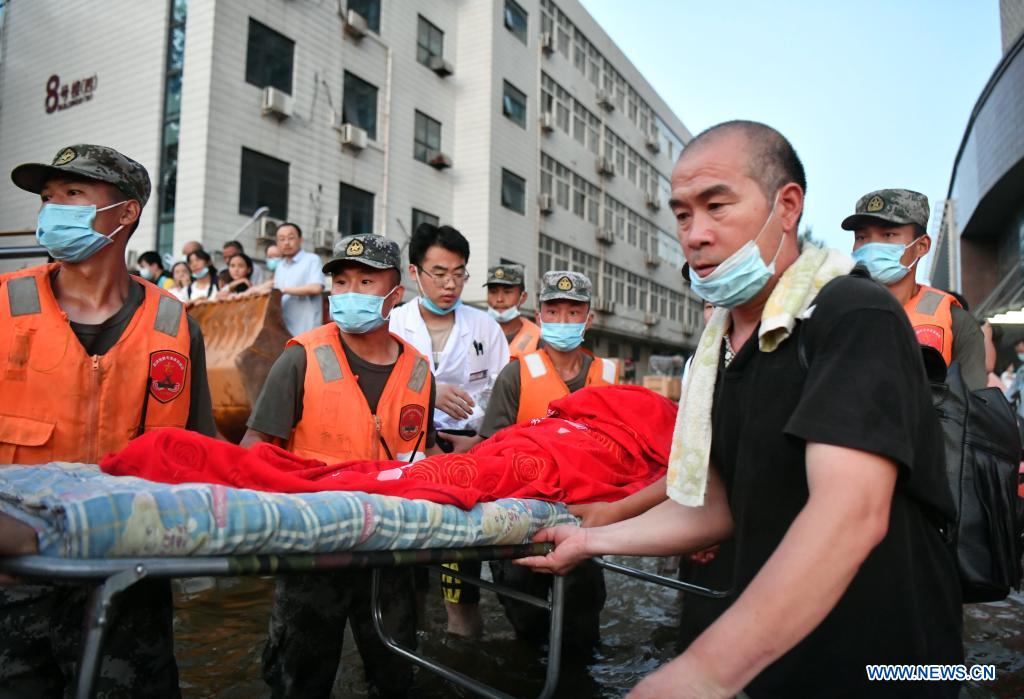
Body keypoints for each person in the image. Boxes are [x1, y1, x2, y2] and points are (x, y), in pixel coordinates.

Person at [519, 121, 963, 698]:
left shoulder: (852, 314)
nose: (695, 234)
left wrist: (704, 672)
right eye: (682, 214)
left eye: (717, 206)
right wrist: (592, 538)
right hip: (778, 654)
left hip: (885, 661)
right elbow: (720, 503)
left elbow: (851, 512)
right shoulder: (727, 349)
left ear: (787, 206)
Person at [0, 143, 216, 697]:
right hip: (10, 581)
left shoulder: (173, 325)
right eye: (48, 197)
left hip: (130, 584)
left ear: (126, 214)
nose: (52, 209)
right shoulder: (5, 305)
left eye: (73, 194)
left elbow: (196, 455)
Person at [241, 233, 435, 698]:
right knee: (299, 678)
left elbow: (423, 455)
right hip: (313, 549)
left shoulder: (419, 370)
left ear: (395, 295)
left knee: (394, 675)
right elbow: (256, 444)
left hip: (391, 550)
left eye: (366, 281)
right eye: (342, 282)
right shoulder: (301, 356)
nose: (350, 294)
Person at [476, 270, 619, 655]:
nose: (563, 320)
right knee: (526, 625)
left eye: (574, 312)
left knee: (582, 629)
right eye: (553, 311)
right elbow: (491, 449)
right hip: (524, 523)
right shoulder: (516, 375)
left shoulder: (609, 378)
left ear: (589, 320)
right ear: (539, 318)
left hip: (585, 522)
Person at [388, 222, 508, 636]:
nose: (450, 284)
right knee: (409, 588)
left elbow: (500, 398)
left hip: (465, 465)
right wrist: (428, 394)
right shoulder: (392, 325)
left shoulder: (485, 328)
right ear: (415, 272)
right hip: (408, 465)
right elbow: (375, 394)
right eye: (439, 273)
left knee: (461, 590)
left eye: (459, 273)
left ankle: (464, 663)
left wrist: (478, 440)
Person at [844, 188, 987, 390]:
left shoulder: (958, 324)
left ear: (922, 246)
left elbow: (971, 410)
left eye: (888, 234)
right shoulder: (836, 314)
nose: (872, 246)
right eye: (861, 237)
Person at [272, 222, 325, 336]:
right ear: (277, 243)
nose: (286, 242)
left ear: (300, 240)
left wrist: (284, 290)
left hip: (306, 328)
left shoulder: (312, 259)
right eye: (282, 239)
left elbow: (317, 287)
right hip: (285, 329)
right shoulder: (280, 266)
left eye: (291, 238)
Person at [484, 263, 539, 360]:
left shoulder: (538, 337)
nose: (499, 299)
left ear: (523, 297)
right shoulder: (473, 331)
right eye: (493, 292)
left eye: (507, 292)